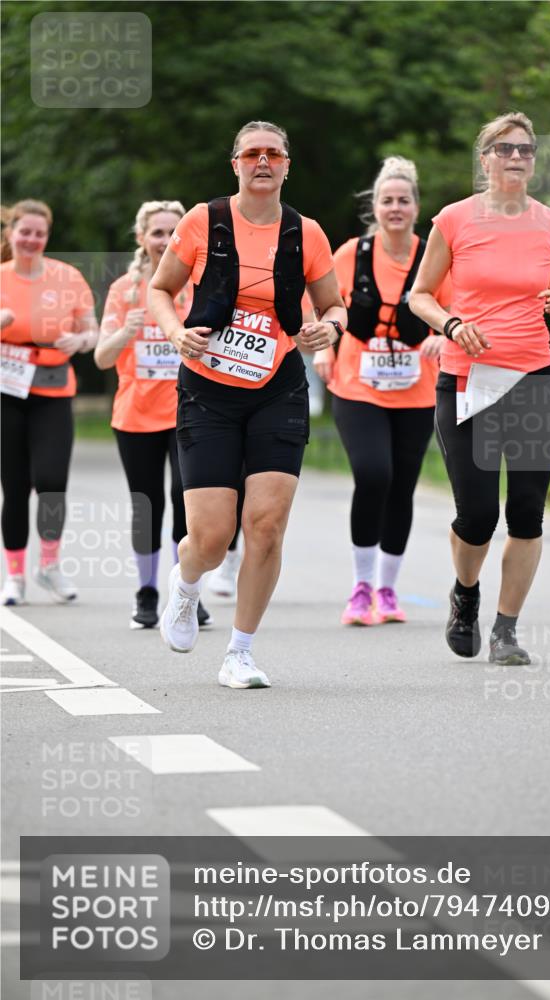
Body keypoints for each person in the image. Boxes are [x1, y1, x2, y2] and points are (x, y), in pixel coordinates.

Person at [149, 120, 346, 689]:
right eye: (252, 153)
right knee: (211, 536)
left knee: (265, 525)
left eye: (274, 154)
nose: (263, 161)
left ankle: (240, 651)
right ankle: (185, 587)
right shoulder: (202, 221)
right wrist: (174, 331)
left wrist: (327, 330)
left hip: (278, 387)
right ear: (234, 163)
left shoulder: (306, 233)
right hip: (207, 388)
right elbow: (161, 290)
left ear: (288, 165)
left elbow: (334, 307)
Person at [410, 112, 550, 665]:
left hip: (533, 378)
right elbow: (420, 295)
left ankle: (506, 631)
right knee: (478, 514)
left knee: (528, 512)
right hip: (467, 379)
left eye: (526, 150)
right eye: (504, 148)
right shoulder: (455, 220)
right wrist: (452, 325)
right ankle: (466, 594)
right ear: (484, 158)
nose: (516, 157)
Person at [314, 157, 450, 626]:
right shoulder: (351, 254)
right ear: (374, 206)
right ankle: (361, 587)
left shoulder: (434, 253)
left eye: (404, 200)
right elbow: (322, 305)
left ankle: (388, 591)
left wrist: (443, 334)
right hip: (357, 386)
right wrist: (323, 346)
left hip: (417, 389)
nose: (396, 208)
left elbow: (455, 307)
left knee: (402, 487)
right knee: (374, 474)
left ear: (416, 206)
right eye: (387, 200)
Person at [95, 200, 211, 630]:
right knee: (146, 506)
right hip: (136, 416)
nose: (164, 240)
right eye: (156, 233)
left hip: (191, 412)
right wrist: (127, 329)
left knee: (190, 506)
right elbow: (102, 359)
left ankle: (188, 592)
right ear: (142, 238)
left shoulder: (199, 284)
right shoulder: (124, 289)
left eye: (171, 232)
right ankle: (146, 591)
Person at [0, 200, 98, 605]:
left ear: (47, 236)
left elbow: (91, 329)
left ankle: (50, 565)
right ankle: (16, 575)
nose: (31, 239)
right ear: (10, 233)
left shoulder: (68, 277)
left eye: (39, 233)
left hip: (54, 386)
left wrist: (80, 340)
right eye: (24, 231)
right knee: (16, 486)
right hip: (7, 388)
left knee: (53, 482)